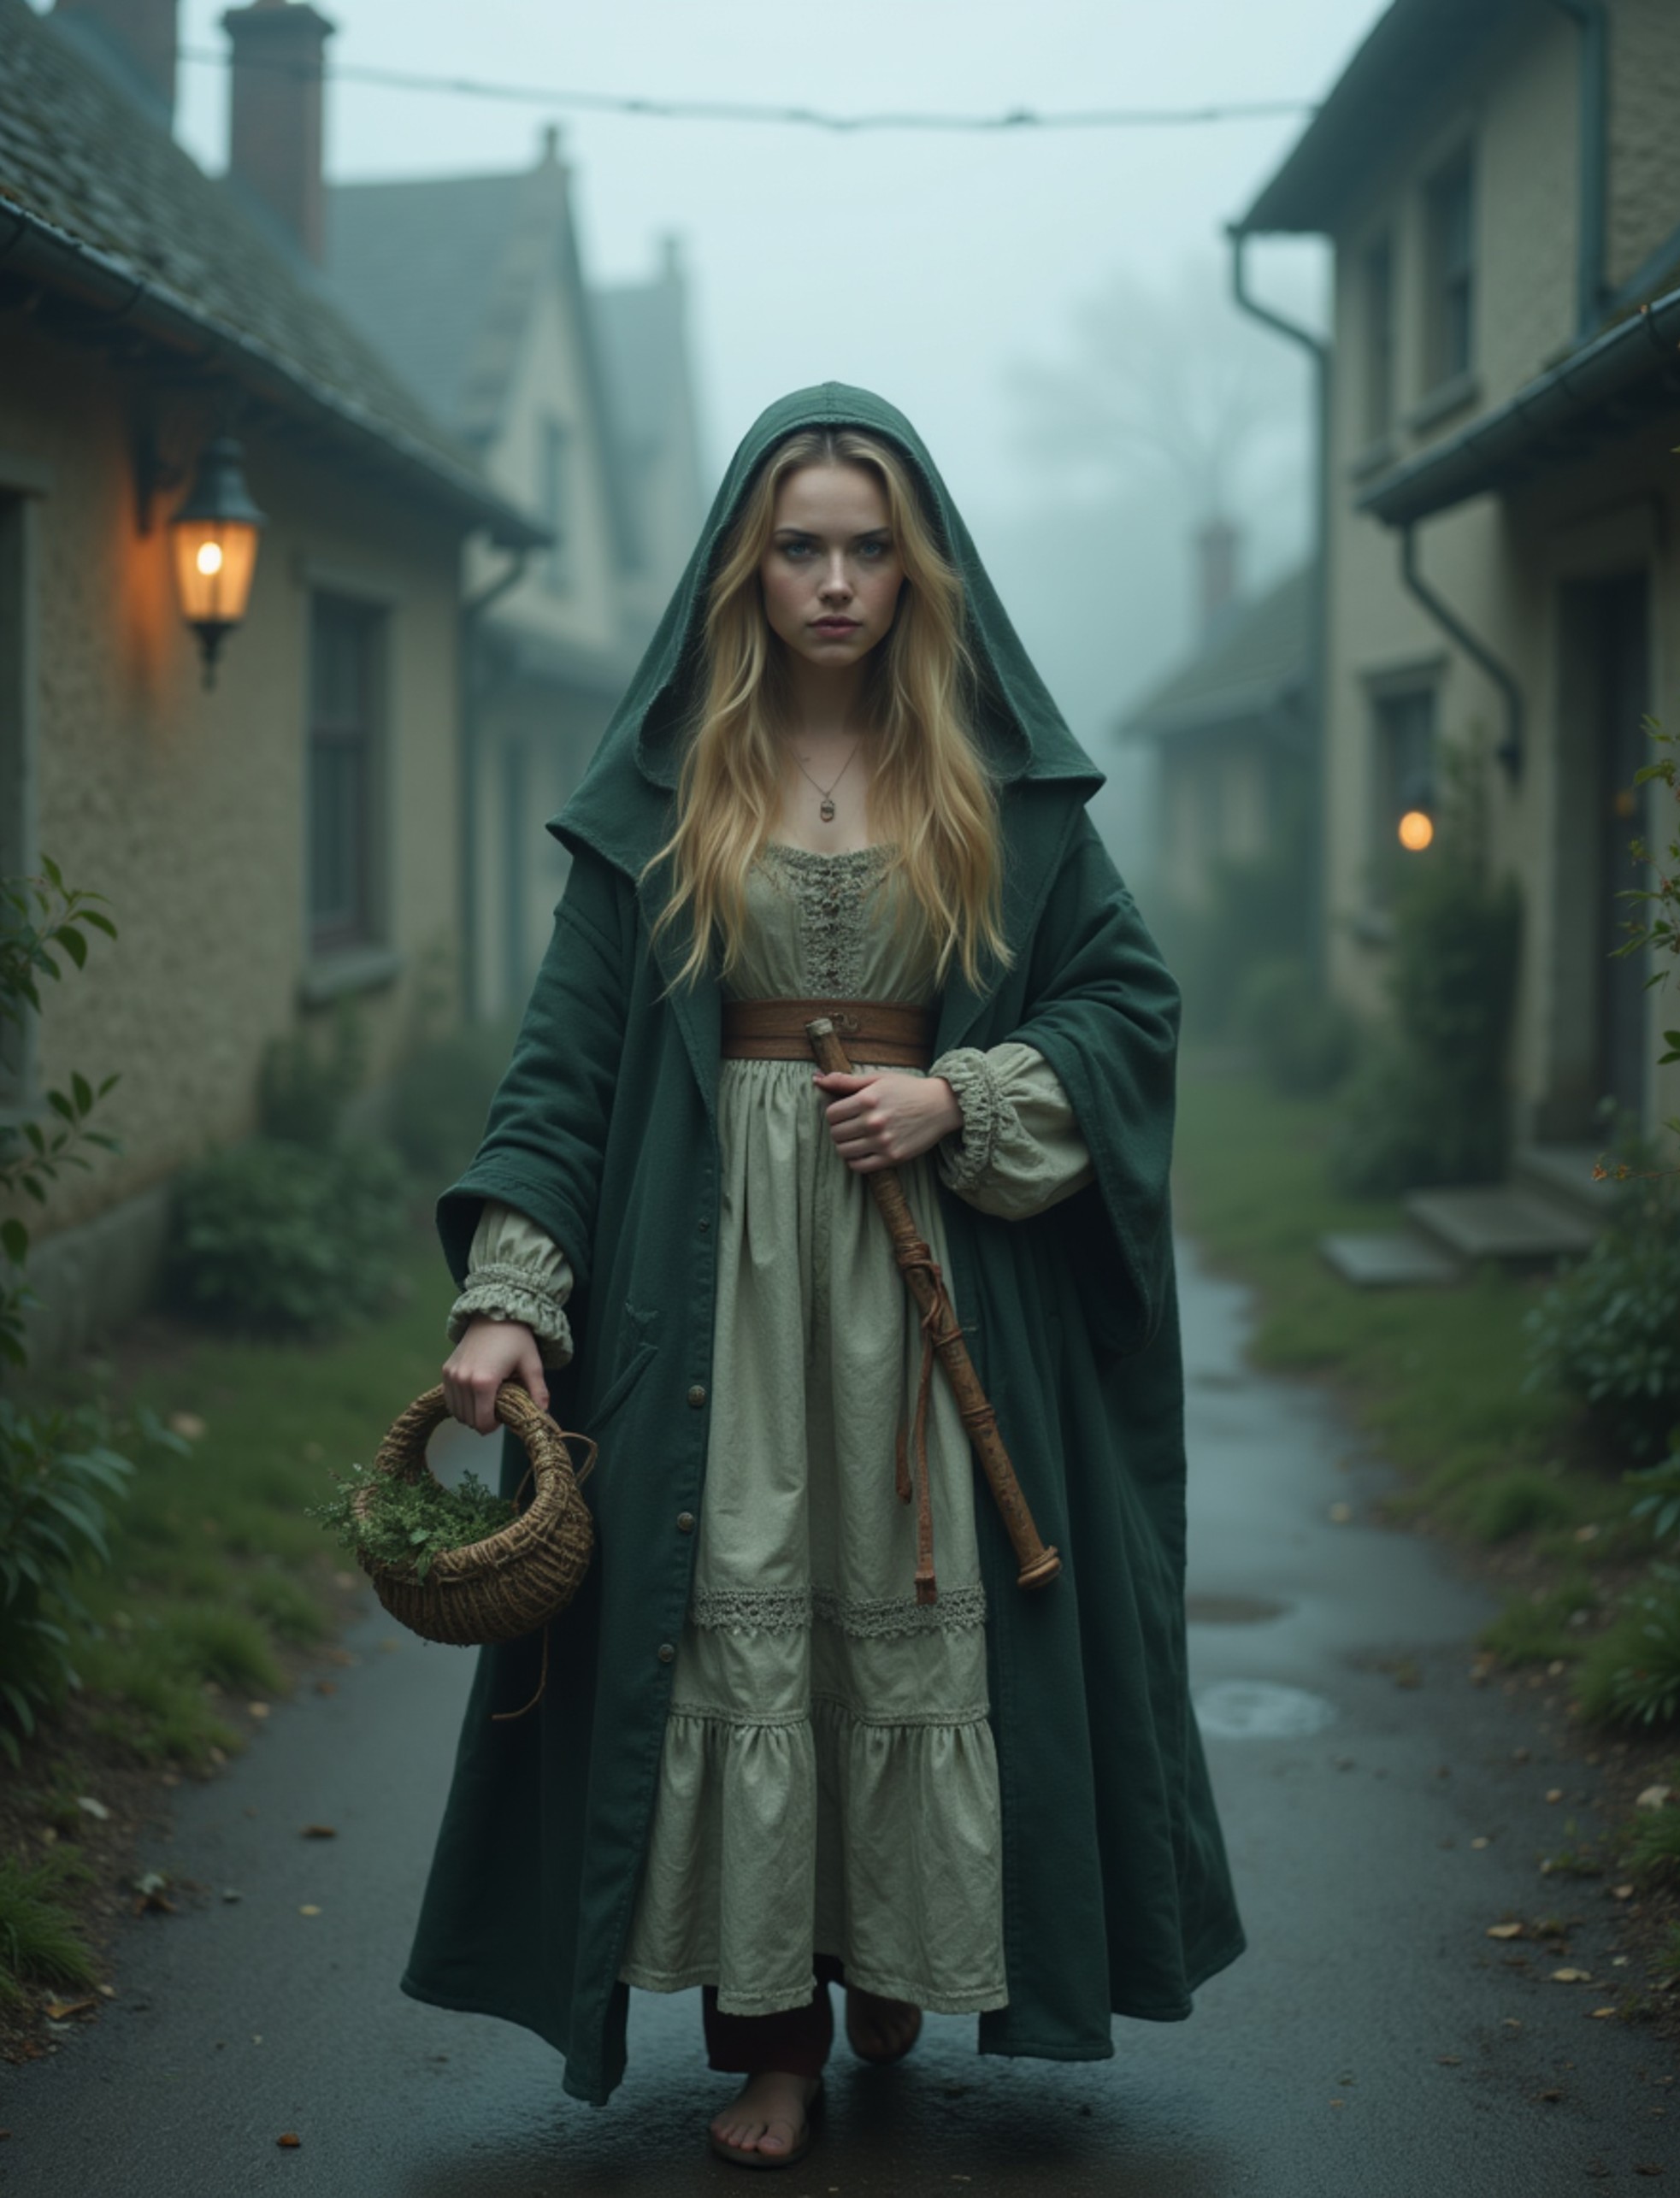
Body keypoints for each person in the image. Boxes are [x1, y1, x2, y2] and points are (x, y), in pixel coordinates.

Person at [412, 384, 1244, 2170]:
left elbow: (1127, 1005)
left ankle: (892, 1955)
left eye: (870, 547)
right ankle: (771, 2033)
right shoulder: (662, 792)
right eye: (801, 547)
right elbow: (565, 1064)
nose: (837, 581)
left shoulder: (994, 784)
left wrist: (966, 1090)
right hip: (717, 1298)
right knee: (737, 1625)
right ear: (746, 565)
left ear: (917, 564)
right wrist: (508, 1294)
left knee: (910, 1626)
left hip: (933, 1292)